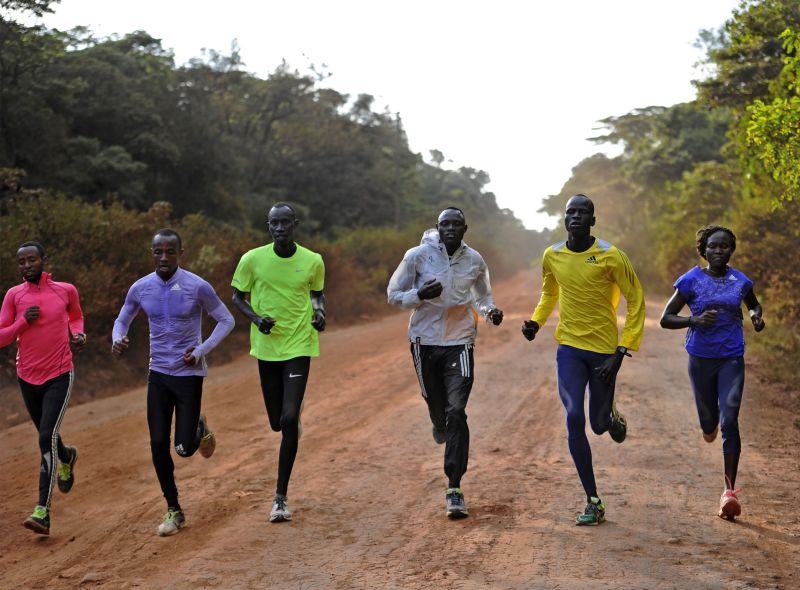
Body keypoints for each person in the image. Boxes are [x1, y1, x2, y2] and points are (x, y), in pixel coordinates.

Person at [521, 194, 645, 525]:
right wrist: (536, 321)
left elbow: (636, 300)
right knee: (574, 416)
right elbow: (550, 292)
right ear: (564, 220)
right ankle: (593, 499)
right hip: (570, 349)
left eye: (583, 213)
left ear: (593, 221)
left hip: (605, 351)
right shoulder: (552, 255)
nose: (575, 217)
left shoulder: (611, 256)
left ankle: (612, 418)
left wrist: (621, 351)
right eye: (570, 213)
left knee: (598, 424)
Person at [112, 229, 234, 536]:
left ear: (181, 253)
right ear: (152, 254)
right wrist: (118, 338)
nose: (163, 257)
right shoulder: (141, 288)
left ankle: (198, 429)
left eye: (170, 251)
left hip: (189, 375)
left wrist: (201, 350)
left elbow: (226, 320)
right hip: (159, 374)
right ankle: (174, 509)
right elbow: (123, 319)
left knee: (182, 449)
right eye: (158, 252)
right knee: (156, 444)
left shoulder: (197, 286)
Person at [387, 207, 503, 519]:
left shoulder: (474, 260)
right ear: (438, 228)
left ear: (465, 228)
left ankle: (454, 486)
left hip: (460, 342)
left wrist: (491, 311)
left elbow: (482, 296)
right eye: (444, 224)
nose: (450, 228)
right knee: (437, 405)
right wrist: (418, 294)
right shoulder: (417, 256)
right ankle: (437, 422)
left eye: (456, 224)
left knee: (457, 410)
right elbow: (393, 294)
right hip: (424, 342)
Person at [660, 225, 764, 521]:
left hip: (732, 357)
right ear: (703, 251)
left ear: (731, 250)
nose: (718, 251)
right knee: (710, 422)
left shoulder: (740, 281)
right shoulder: (690, 281)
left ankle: (728, 492)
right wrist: (694, 320)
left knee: (729, 420)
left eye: (724, 246)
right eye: (713, 246)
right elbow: (666, 319)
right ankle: (709, 425)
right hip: (701, 359)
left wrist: (757, 318)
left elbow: (754, 306)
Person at [231, 203, 325, 523]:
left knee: (288, 418)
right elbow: (236, 298)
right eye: (275, 223)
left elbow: (317, 293)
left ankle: (280, 497)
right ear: (268, 226)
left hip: (299, 344)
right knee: (277, 421)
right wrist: (257, 320)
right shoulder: (252, 259)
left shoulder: (313, 260)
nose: (280, 227)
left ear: (294, 224)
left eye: (286, 222)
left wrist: (319, 311)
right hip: (266, 347)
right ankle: (289, 420)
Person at [0, 241, 85, 536]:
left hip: (60, 374)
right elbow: (1, 337)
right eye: (21, 261)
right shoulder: (14, 295)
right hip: (27, 377)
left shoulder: (65, 290)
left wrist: (78, 334)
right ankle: (66, 456)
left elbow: (76, 317)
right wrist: (23, 322)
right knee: (46, 436)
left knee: (46, 436)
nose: (26, 266)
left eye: (31, 260)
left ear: (43, 261)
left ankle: (42, 511)